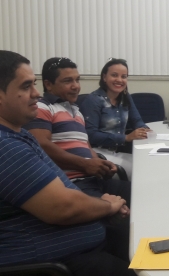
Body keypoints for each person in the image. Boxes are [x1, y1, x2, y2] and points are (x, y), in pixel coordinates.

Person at [0, 50, 134, 276]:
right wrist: (106, 206)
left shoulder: (17, 136)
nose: (36, 94)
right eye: (26, 87)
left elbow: (65, 190)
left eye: (34, 84)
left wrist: (100, 204)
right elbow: (63, 207)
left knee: (151, 243)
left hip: (76, 249)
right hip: (50, 267)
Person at [24, 57, 131, 262]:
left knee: (140, 197)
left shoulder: (75, 110)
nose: (76, 87)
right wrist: (85, 164)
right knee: (125, 224)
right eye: (67, 81)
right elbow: (42, 145)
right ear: (48, 84)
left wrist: (99, 163)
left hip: (93, 178)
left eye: (77, 80)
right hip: (73, 184)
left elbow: (85, 145)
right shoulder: (43, 108)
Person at [80, 58, 150, 180]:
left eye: (124, 76)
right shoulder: (94, 100)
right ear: (104, 77)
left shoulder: (125, 97)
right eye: (114, 75)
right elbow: (90, 135)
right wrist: (126, 138)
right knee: (141, 173)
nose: (119, 80)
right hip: (96, 154)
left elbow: (136, 120)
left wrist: (143, 128)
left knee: (147, 164)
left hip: (115, 152)